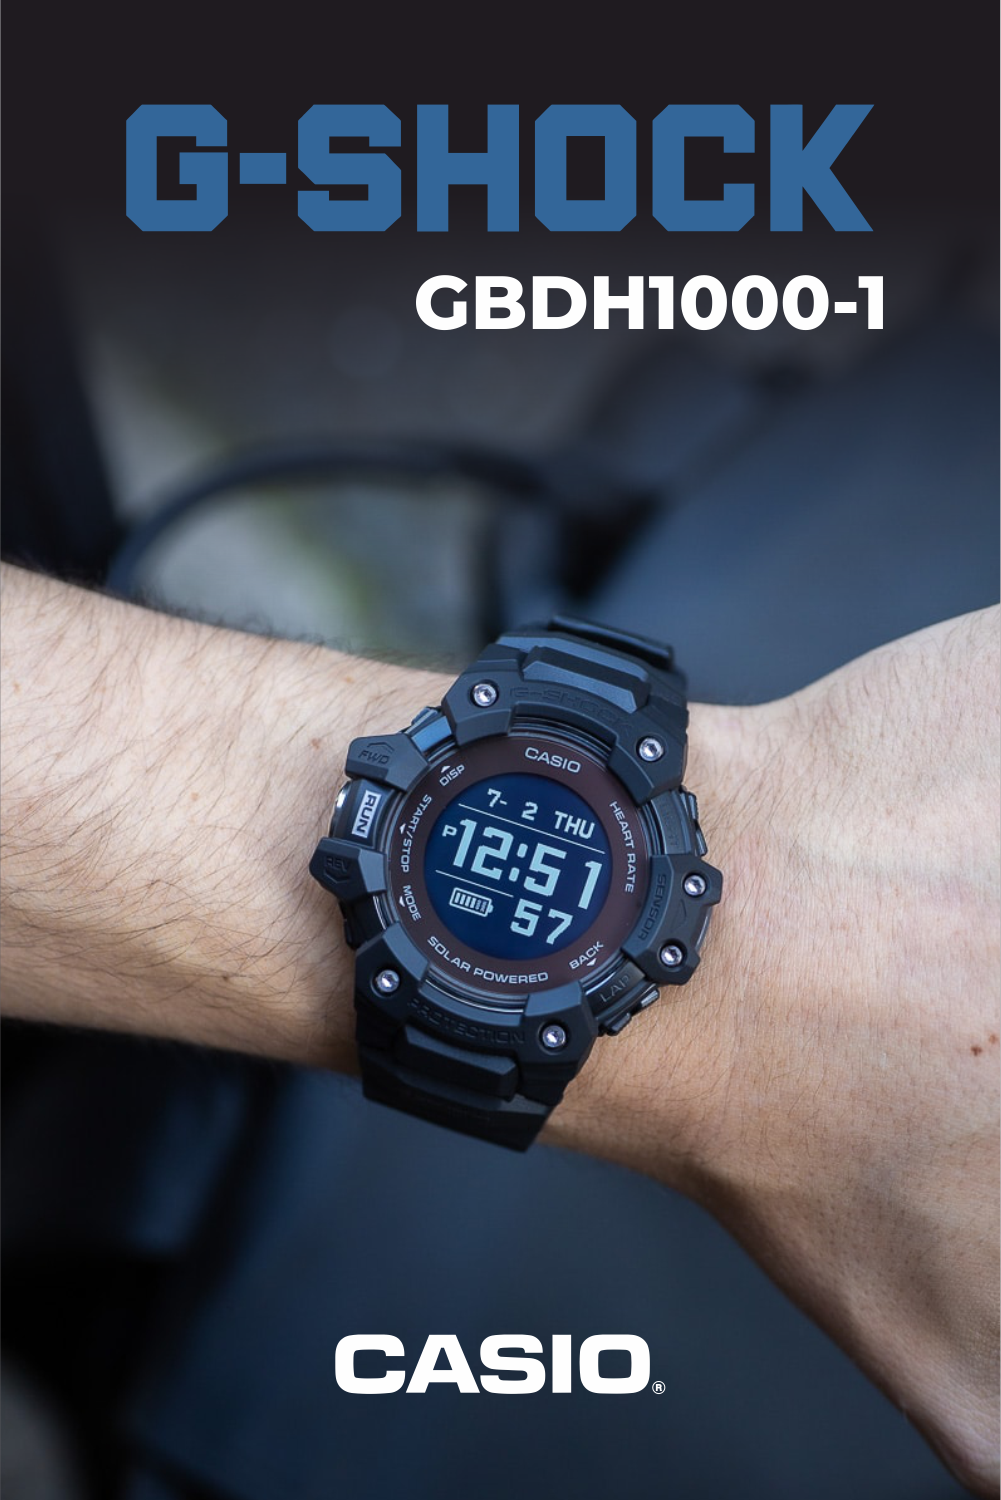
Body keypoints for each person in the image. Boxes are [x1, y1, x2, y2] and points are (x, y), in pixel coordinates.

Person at [1, 560, 998, 1496]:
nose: (515, 873)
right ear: (370, 810)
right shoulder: (403, 827)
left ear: (674, 916)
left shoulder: (624, 892)